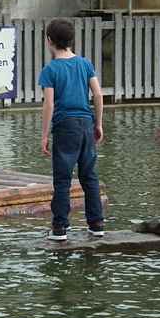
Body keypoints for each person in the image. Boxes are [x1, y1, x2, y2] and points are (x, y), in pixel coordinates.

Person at [38, 19, 105, 241]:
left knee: (63, 180)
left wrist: (45, 135)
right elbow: (97, 94)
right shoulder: (85, 64)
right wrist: (98, 123)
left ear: (49, 41)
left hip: (65, 127)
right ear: (71, 40)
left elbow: (49, 104)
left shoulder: (50, 69)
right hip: (86, 124)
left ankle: (60, 229)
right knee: (90, 177)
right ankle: (96, 225)